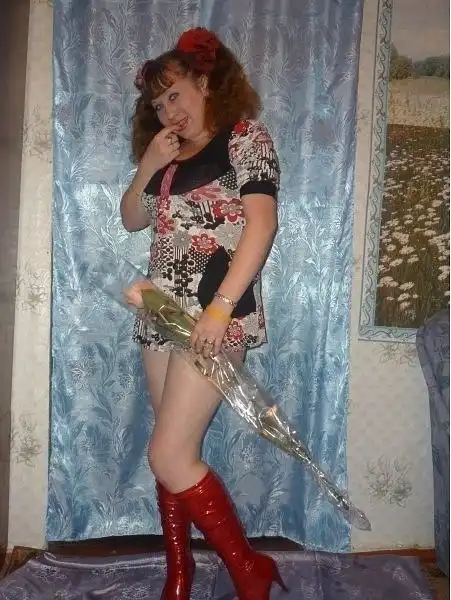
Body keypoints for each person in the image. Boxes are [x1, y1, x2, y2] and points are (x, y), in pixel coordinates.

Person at [121, 27, 284, 600]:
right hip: (159, 314)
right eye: (157, 104)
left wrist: (220, 309)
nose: (168, 111)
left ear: (205, 82)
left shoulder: (244, 138)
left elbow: (261, 225)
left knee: (168, 454)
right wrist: (148, 164)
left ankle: (249, 571)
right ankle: (179, 575)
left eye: (174, 94)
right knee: (171, 454)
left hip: (214, 316)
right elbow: (132, 219)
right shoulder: (168, 158)